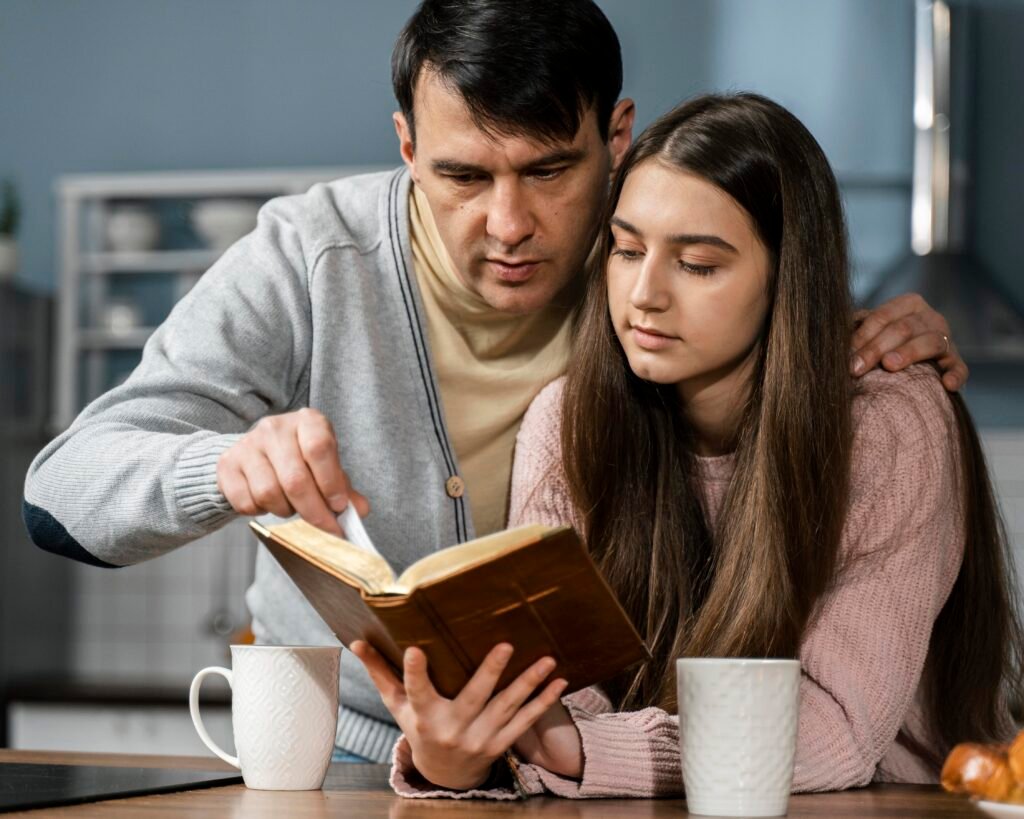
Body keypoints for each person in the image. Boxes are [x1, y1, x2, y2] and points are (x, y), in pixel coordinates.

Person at [23, 1, 970, 766]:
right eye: (463, 176)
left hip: (582, 758)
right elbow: (58, 497)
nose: (508, 223)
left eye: (550, 170)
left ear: (619, 139)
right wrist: (226, 465)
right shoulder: (308, 258)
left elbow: (763, 298)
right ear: (405, 146)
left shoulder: (651, 247)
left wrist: (835, 338)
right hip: (354, 749)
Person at [357, 93, 1023, 799]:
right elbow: (565, 696)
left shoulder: (888, 425)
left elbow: (836, 730)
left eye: (698, 264)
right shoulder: (566, 419)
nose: (644, 294)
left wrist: (575, 745)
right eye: (627, 249)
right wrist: (470, 751)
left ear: (786, 279)